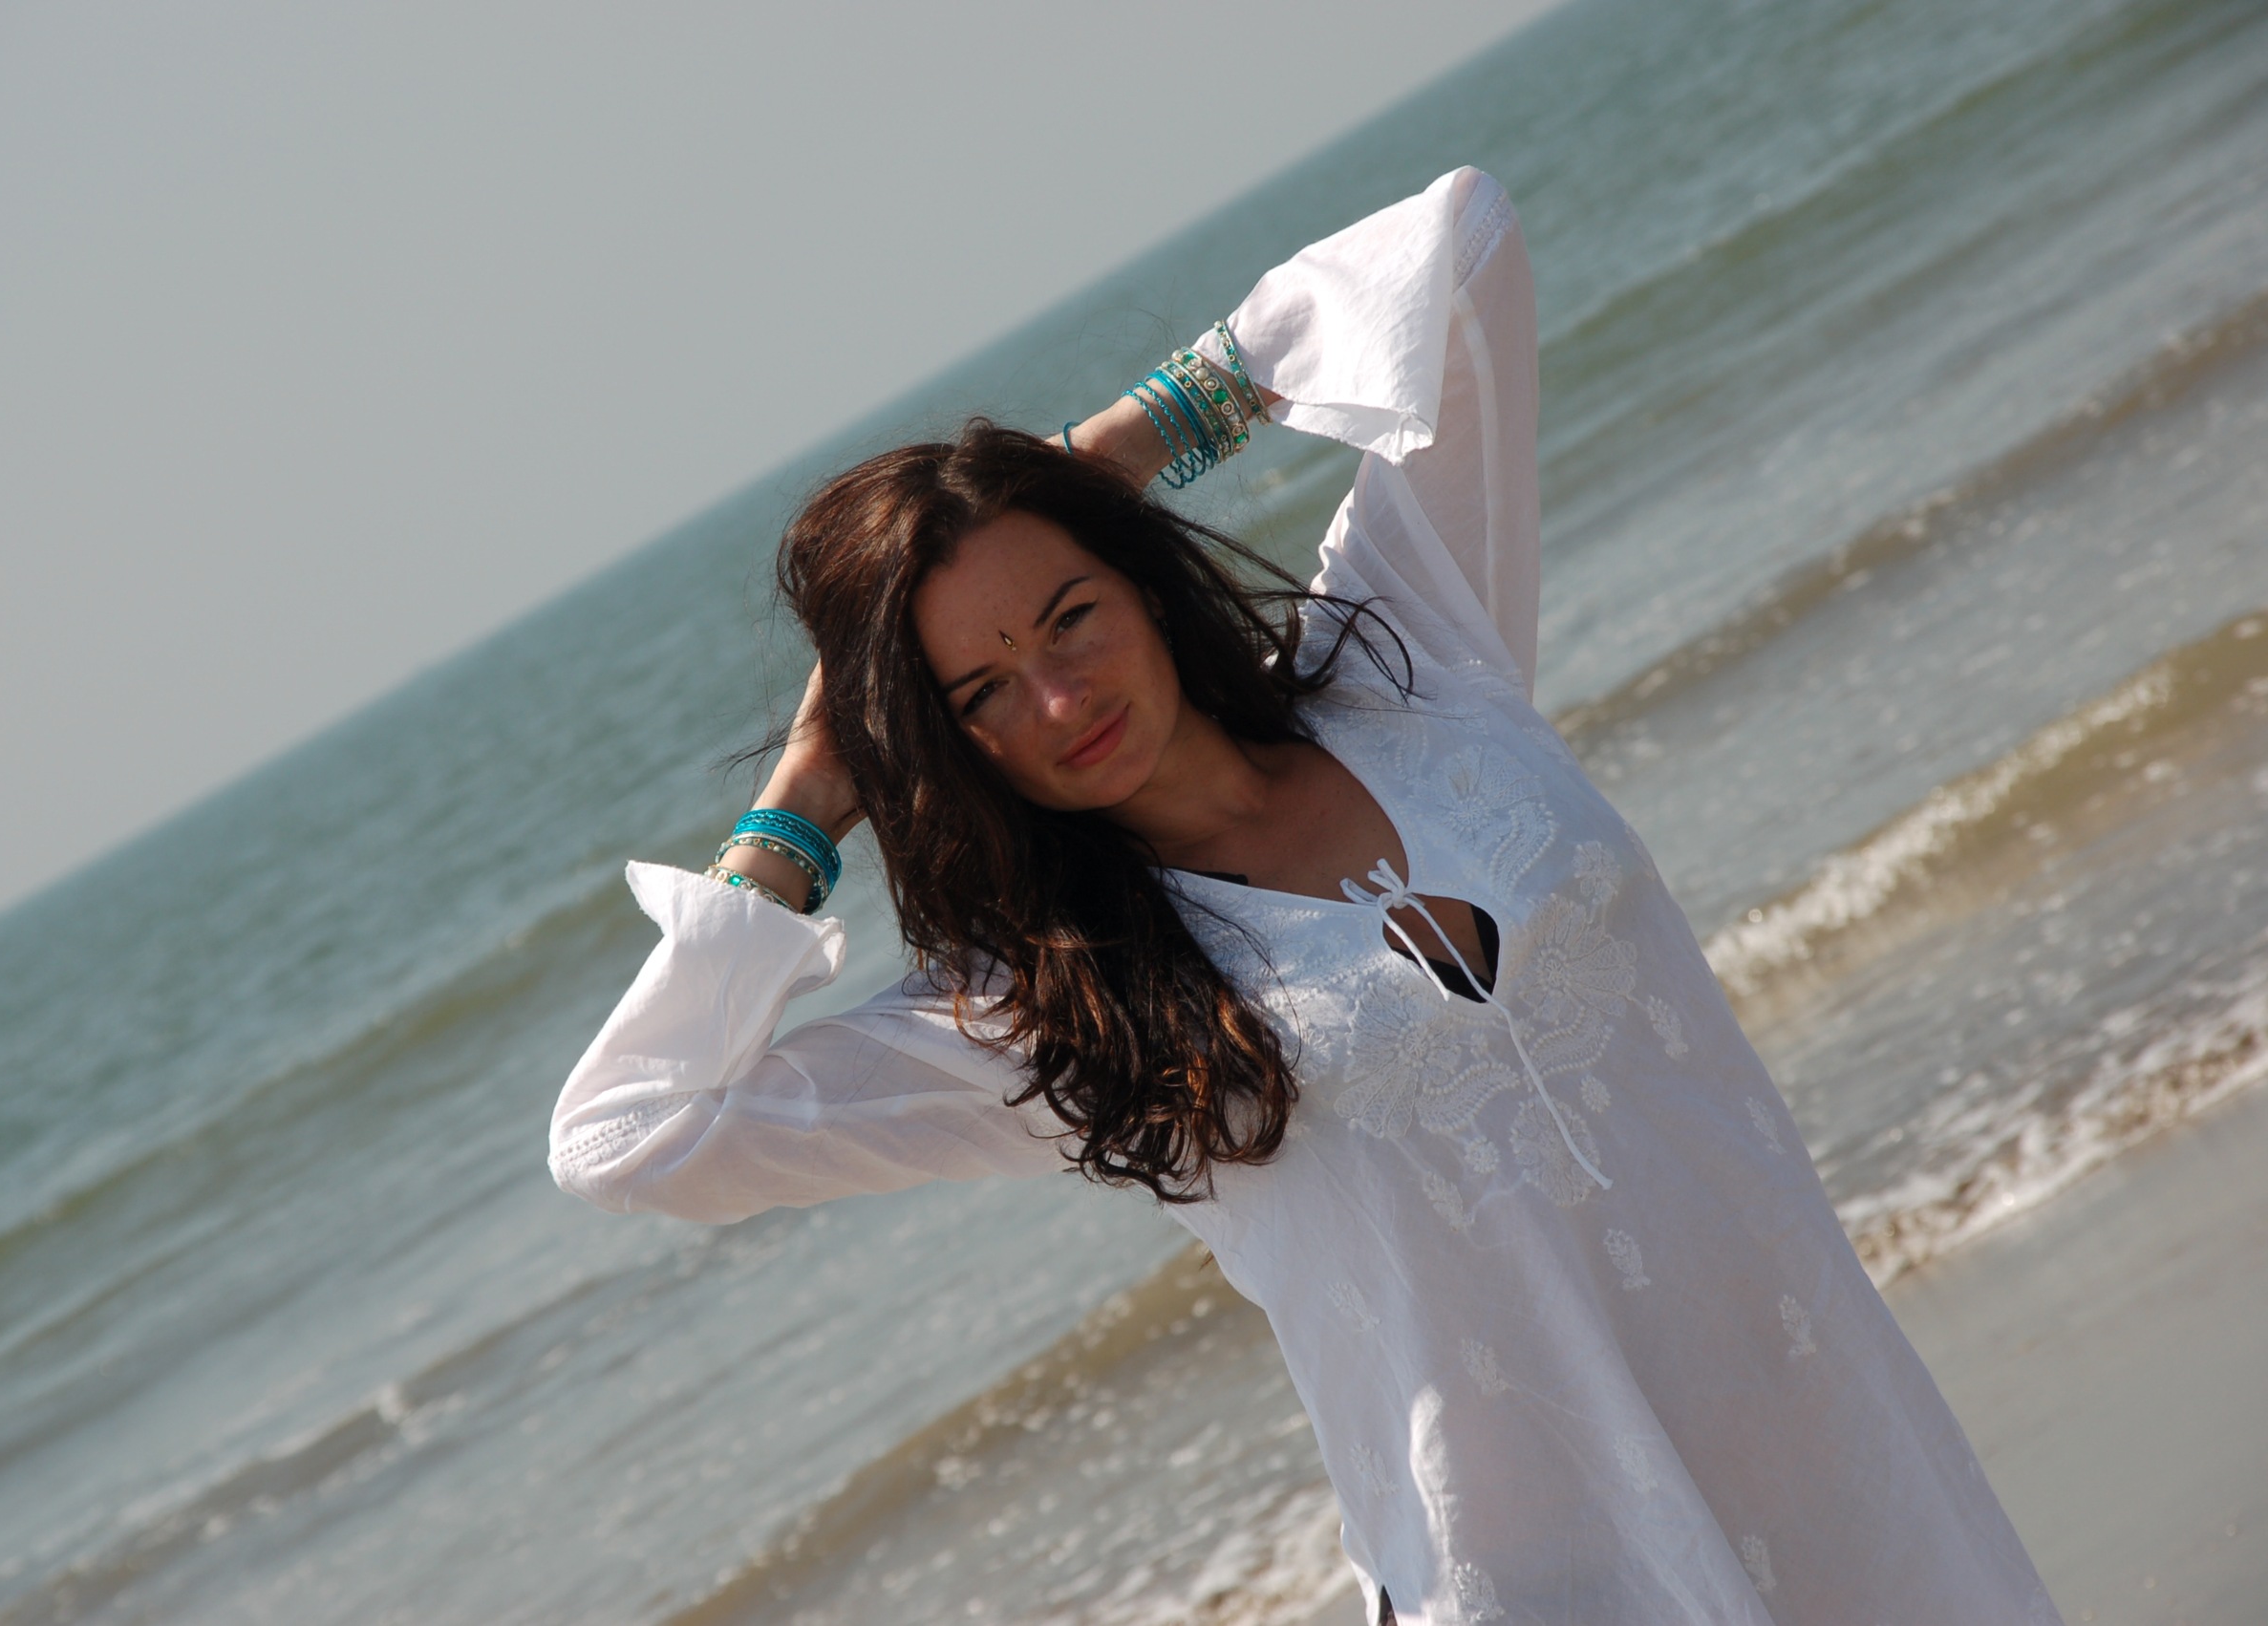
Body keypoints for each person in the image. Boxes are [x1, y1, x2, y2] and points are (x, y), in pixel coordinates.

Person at [548, 169, 2062, 1625]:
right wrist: (804, 802)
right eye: (982, 694)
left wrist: (1117, 452)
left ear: (1139, 578)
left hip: (1856, 1486)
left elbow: (1463, 245)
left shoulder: (1412, 661)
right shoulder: (1048, 1010)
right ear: (945, 748)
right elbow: (629, 1135)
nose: (1061, 699)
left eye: (1070, 615)